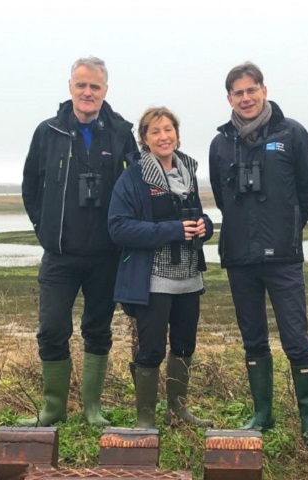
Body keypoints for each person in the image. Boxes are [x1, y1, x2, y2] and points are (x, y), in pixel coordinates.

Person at [208, 61, 308, 446]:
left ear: (264, 90)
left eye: (251, 90)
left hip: (283, 257)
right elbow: (224, 199)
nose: (245, 98)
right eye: (238, 93)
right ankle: (263, 414)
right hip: (240, 256)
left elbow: (307, 192)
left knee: (296, 338)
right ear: (229, 98)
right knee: (253, 338)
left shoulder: (292, 134)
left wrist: (286, 228)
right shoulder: (221, 143)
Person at [19, 56, 138, 427]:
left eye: (95, 86)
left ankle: (92, 409)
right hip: (60, 254)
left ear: (105, 90)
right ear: (70, 86)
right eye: (81, 85)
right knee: (52, 328)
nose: (88, 93)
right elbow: (30, 186)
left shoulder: (120, 133)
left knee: (97, 329)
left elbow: (135, 185)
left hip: (105, 254)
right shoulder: (48, 132)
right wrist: (44, 229)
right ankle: (53, 408)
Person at [108, 107, 214, 429]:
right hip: (152, 280)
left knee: (185, 344)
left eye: (168, 129)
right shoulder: (133, 176)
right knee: (151, 350)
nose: (163, 136)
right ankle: (146, 418)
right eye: (155, 131)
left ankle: (178, 410)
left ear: (177, 135)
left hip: (189, 278)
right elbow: (118, 228)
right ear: (144, 139)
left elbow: (196, 217)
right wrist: (172, 229)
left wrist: (204, 227)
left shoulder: (188, 172)